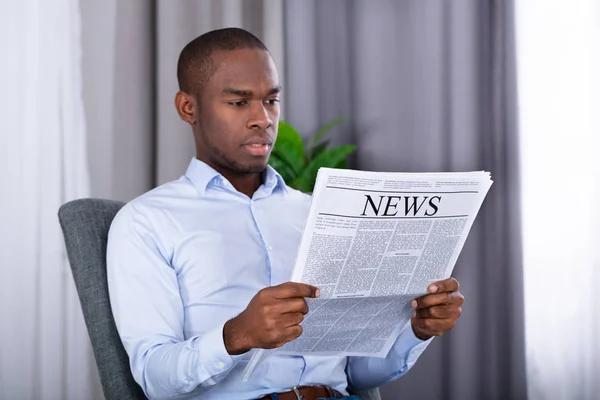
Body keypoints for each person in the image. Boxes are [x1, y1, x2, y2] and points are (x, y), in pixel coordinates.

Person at [106, 27, 464, 400]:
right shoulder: (146, 222)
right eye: (239, 102)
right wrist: (237, 335)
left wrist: (417, 331)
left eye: (271, 100)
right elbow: (153, 377)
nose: (263, 119)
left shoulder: (318, 213)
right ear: (188, 108)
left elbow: (356, 372)